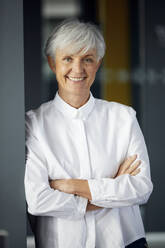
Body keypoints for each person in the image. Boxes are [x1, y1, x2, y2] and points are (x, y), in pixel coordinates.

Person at [24, 19, 153, 248]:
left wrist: (71, 186)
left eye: (87, 59)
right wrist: (112, 189)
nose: (78, 69)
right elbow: (38, 200)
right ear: (52, 63)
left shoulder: (123, 118)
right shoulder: (34, 124)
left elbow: (141, 188)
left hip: (125, 243)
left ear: (98, 64)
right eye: (68, 59)